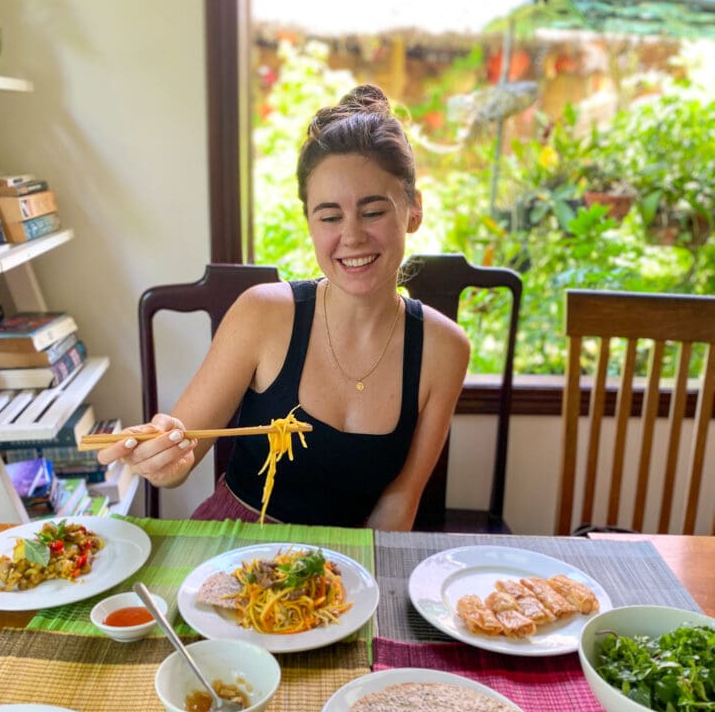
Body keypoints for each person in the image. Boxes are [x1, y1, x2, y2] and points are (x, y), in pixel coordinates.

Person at [98, 84, 470, 530]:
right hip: (233, 542)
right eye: (329, 217)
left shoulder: (445, 349)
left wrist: (350, 586)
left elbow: (398, 503)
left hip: (346, 563)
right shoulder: (263, 314)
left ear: (413, 210)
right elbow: (182, 455)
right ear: (310, 223)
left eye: (372, 212)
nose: (351, 236)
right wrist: (162, 459)